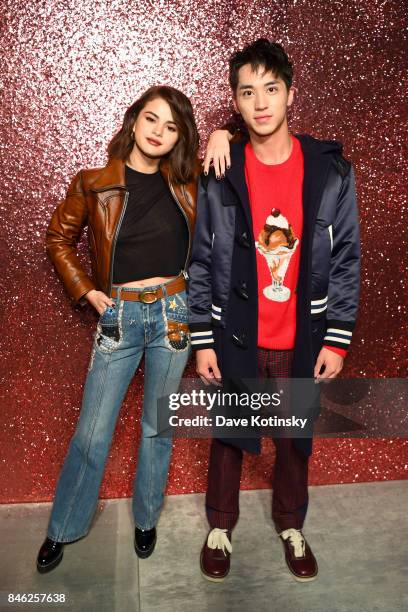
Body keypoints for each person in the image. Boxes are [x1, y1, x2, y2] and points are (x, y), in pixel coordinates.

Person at [37, 85, 231, 573]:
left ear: (179, 137)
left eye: (171, 126)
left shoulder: (188, 183)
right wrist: (86, 290)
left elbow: (256, 143)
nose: (159, 132)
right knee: (93, 431)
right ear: (133, 120)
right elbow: (58, 237)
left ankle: (147, 518)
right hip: (119, 317)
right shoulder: (94, 181)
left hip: (173, 313)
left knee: (156, 428)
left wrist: (226, 131)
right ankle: (63, 528)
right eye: (152, 119)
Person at [188, 39, 360, 582]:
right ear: (235, 104)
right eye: (247, 92)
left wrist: (336, 338)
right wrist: (202, 336)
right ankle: (220, 525)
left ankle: (291, 522)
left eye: (270, 89)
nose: (260, 102)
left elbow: (347, 257)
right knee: (229, 437)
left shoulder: (330, 171)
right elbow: (201, 256)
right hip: (237, 330)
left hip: (302, 333)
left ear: (289, 94)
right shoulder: (221, 168)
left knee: (293, 439)